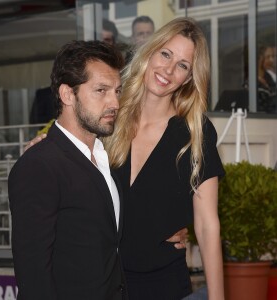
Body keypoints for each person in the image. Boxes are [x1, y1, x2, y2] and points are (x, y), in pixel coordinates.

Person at [103, 17, 225, 300]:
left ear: (190, 77)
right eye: (166, 54)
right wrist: (46, 140)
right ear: (150, 51)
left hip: (162, 285)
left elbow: (207, 225)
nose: (169, 70)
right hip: (103, 282)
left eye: (182, 65)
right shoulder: (110, 116)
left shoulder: (195, 133)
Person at [9, 40, 127, 300]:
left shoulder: (108, 159)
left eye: (117, 91)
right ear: (67, 95)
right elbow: (34, 277)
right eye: (101, 90)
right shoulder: (39, 165)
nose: (115, 103)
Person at [257, 44, 276, 112]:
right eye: (268, 57)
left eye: (273, 56)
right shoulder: (251, 83)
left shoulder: (270, 78)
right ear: (260, 59)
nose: (271, 60)